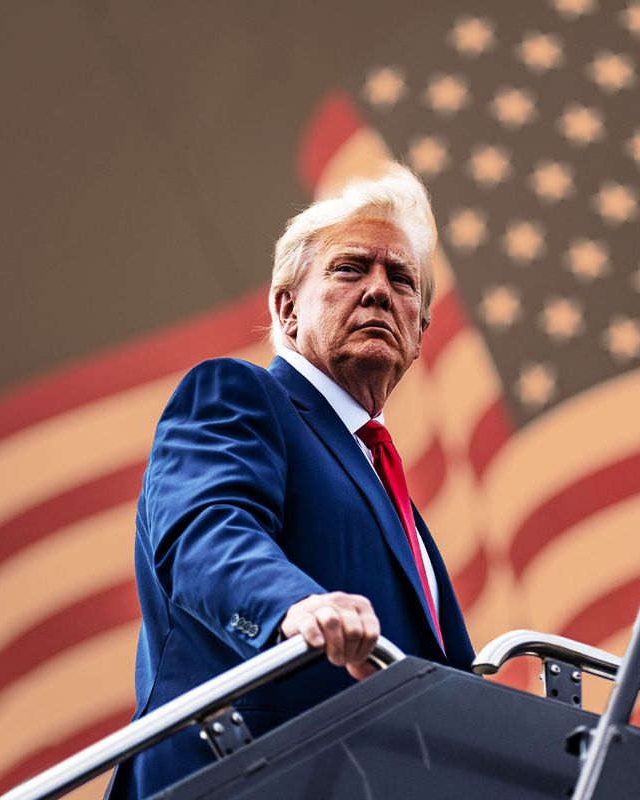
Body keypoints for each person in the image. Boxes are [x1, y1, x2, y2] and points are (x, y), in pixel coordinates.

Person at [107, 163, 475, 798]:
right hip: (244, 775)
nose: (380, 291)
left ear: (420, 332)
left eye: (403, 279)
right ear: (287, 307)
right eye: (351, 269)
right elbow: (204, 530)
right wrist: (294, 606)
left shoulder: (395, 498)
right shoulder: (237, 394)